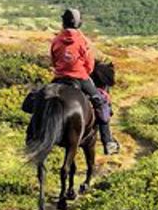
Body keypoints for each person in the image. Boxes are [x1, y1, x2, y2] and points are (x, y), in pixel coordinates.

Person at [50, 8, 120, 155]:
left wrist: (61, 69)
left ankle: (34, 132)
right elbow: (89, 64)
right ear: (78, 24)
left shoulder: (56, 40)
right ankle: (108, 142)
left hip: (59, 78)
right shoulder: (82, 41)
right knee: (101, 102)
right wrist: (84, 72)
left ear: (63, 22)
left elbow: (54, 59)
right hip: (80, 78)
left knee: (42, 98)